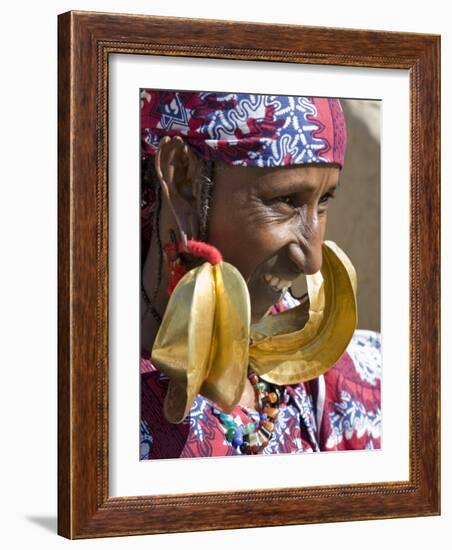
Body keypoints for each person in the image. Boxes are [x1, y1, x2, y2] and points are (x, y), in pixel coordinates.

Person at [139, 90, 381, 459]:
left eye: (325, 200)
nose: (312, 260)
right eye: (286, 201)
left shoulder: (343, 382)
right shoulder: (93, 404)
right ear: (183, 180)